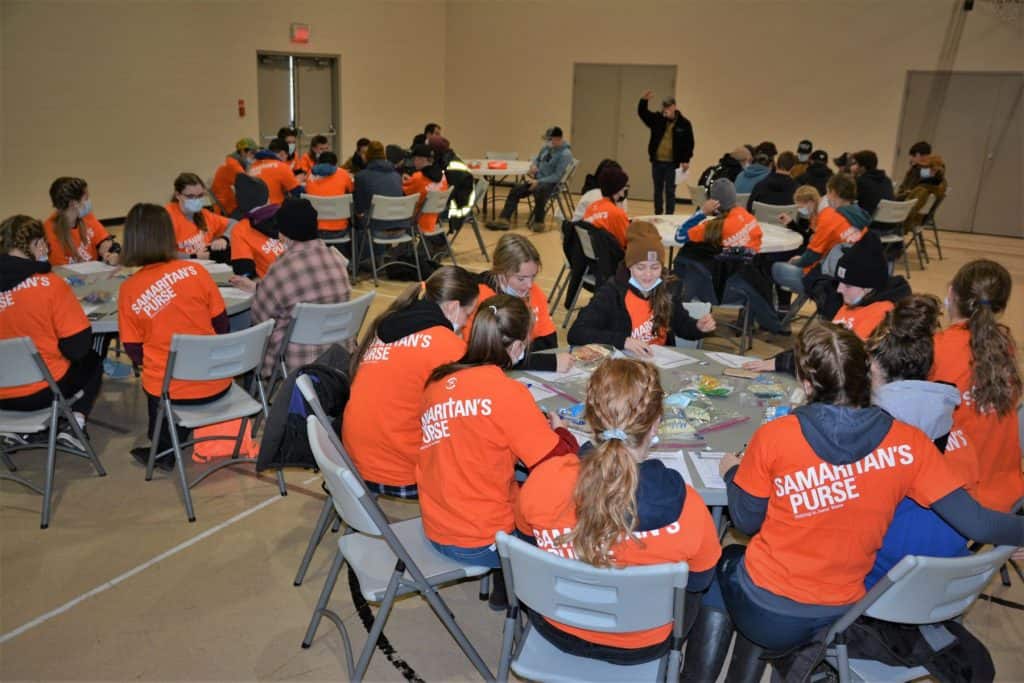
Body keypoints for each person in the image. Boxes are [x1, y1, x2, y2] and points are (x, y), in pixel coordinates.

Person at [703, 322, 1024, 681]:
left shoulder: (775, 435)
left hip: (771, 609)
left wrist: (733, 472)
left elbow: (747, 521)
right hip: (846, 611)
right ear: (867, 375)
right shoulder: (911, 442)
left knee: (723, 565)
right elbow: (977, 523)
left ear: (807, 385)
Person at [517, 358, 722, 663]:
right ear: (655, 425)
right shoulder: (687, 507)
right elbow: (699, 582)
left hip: (554, 624)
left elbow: (526, 545)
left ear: (590, 418)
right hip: (640, 644)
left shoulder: (542, 480)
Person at [417, 295, 578, 597]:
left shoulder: (438, 380)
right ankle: (524, 599)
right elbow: (557, 463)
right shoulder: (507, 393)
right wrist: (563, 433)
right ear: (516, 348)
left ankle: (503, 596)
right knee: (565, 506)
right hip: (480, 539)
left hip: (435, 520)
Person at [864, 294, 982, 589]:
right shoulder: (953, 425)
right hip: (947, 575)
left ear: (873, 364)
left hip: (887, 578)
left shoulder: (874, 433)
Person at [343, 266, 478, 498]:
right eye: (468, 314)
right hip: (397, 470)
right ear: (453, 307)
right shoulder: (447, 345)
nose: (466, 324)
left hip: (352, 458)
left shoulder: (390, 324)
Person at [117, 203, 231, 471]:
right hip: (216, 380)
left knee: (157, 374)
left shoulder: (129, 289)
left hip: (170, 391)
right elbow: (222, 327)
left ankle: (164, 450)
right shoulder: (197, 271)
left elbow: (134, 352)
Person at [0, 215, 102, 449]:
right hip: (41, 390)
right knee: (92, 360)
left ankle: (14, 428)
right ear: (36, 245)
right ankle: (75, 423)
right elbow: (78, 348)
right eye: (44, 243)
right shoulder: (49, 284)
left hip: (2, 396)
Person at [930, 259, 1024, 512]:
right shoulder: (1003, 344)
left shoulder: (937, 347)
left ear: (951, 293)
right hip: (1009, 490)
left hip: (960, 498)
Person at [747, 232, 910, 373]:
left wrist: (783, 363)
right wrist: (780, 360)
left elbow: (837, 360)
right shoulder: (855, 302)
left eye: (847, 284)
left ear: (868, 288)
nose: (839, 289)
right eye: (839, 282)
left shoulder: (881, 315)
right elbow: (824, 343)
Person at [238, 198, 352, 378]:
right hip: (338, 353)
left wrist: (261, 289)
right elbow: (309, 289)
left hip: (294, 361)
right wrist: (259, 286)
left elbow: (259, 318)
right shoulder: (338, 260)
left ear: (282, 234)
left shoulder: (282, 269)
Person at [569, 222, 714, 353]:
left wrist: (698, 327)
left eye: (655, 267)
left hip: (659, 359)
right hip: (624, 366)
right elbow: (577, 333)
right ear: (630, 266)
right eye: (641, 267)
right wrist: (622, 341)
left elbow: (681, 325)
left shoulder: (668, 287)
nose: (648, 274)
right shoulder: (612, 293)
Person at [464, 234, 569, 373]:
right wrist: (544, 361)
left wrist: (518, 354)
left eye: (533, 276)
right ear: (501, 272)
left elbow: (549, 343)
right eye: (521, 279)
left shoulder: (534, 293)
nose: (530, 285)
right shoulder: (480, 299)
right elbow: (483, 357)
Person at [770, 173, 869, 296]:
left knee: (775, 268)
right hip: (851, 276)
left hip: (827, 279)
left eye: (827, 193)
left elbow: (812, 255)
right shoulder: (862, 217)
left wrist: (796, 262)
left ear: (833, 192)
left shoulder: (830, 218)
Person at [486, 127, 573, 232]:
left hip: (551, 184)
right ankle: (504, 219)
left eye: (550, 139)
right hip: (537, 180)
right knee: (516, 189)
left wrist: (539, 181)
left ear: (558, 139)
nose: (547, 142)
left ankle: (539, 222)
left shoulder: (565, 154)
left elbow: (557, 176)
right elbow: (537, 159)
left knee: (540, 190)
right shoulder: (546, 148)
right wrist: (533, 166)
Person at [637, 91, 694, 215]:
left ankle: (669, 215)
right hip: (657, 161)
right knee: (657, 190)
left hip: (672, 164)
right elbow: (643, 114)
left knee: (670, 190)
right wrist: (643, 101)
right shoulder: (658, 119)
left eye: (668, 106)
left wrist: (686, 160)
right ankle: (658, 213)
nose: (666, 109)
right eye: (664, 106)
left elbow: (689, 143)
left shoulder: (684, 124)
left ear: (674, 107)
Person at [43, 177, 119, 266]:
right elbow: (62, 272)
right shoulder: (50, 232)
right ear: (74, 203)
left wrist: (112, 253)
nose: (89, 201)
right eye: (86, 198)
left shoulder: (86, 216)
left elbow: (106, 242)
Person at [676, 178, 763, 252]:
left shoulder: (713, 227)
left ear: (713, 201)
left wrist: (702, 212)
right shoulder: (749, 218)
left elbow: (680, 236)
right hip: (747, 269)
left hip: (721, 270)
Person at [165, 173, 232, 260]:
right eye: (190, 196)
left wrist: (225, 238)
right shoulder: (166, 217)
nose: (196, 200)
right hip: (180, 267)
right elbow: (160, 253)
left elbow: (233, 223)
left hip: (205, 264)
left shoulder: (203, 214)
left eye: (200, 196)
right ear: (178, 195)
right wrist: (194, 256)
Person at [227, 181, 284, 280]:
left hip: (274, 285)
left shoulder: (240, 229)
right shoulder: (287, 212)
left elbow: (243, 270)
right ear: (267, 197)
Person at [352, 140, 406, 233]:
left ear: (367, 156)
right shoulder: (397, 176)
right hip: (399, 224)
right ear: (384, 155)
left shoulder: (361, 176)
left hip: (375, 225)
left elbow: (359, 208)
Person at [304, 151, 355, 237]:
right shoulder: (343, 174)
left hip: (314, 229)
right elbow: (351, 190)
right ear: (335, 164)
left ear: (318, 162)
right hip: (340, 230)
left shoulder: (309, 174)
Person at [402, 143, 449, 236]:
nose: (413, 162)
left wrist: (402, 181)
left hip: (418, 220)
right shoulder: (443, 177)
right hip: (435, 219)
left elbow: (403, 194)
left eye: (415, 159)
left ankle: (401, 248)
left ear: (422, 159)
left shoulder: (418, 177)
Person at [582, 166, 630, 248]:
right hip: (612, 257)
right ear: (619, 190)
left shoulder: (591, 208)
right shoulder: (617, 214)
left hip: (593, 256)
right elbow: (625, 242)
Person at [211, 137, 257, 218]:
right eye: (252, 153)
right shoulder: (234, 167)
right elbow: (248, 186)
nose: (253, 156)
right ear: (243, 152)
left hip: (224, 206)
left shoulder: (232, 163)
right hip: (228, 208)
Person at [249, 138, 301, 205]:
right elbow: (296, 191)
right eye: (286, 156)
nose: (286, 160)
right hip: (274, 210)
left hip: (254, 211)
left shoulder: (252, 166)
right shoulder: (281, 166)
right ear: (282, 154)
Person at [849, 150, 894, 215]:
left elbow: (849, 200)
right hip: (890, 221)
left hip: (869, 220)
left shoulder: (861, 182)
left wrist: (853, 175)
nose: (852, 166)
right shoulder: (887, 180)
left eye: (855, 163)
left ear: (863, 167)